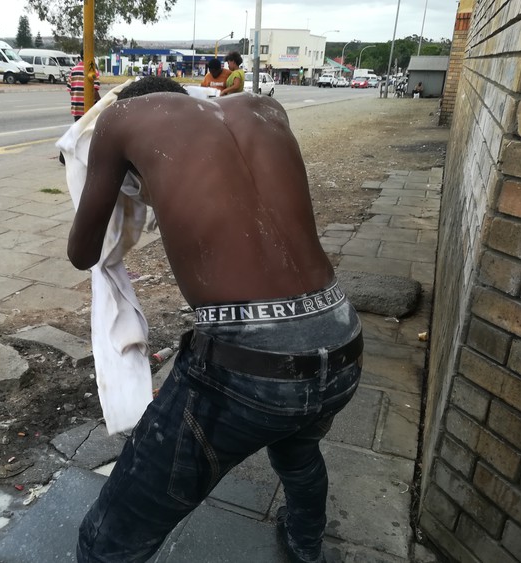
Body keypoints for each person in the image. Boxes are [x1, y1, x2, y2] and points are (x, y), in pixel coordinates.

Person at [68, 75, 363, 563]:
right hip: (341, 337)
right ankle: (305, 546)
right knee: (298, 448)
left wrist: (123, 183)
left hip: (248, 367)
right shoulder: (264, 109)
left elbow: (84, 253)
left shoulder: (120, 117)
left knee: (113, 533)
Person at [68, 51, 101, 122]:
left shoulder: (73, 70)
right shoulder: (93, 71)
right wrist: (101, 102)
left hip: (76, 109)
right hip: (90, 109)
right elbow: (94, 91)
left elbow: (71, 91)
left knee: (79, 131)